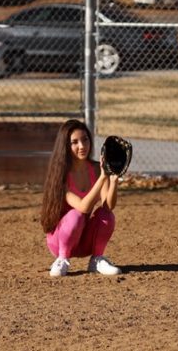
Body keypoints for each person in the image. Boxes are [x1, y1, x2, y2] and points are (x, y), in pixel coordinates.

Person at [40, 119, 122, 277]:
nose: (82, 146)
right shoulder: (61, 174)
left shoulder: (97, 169)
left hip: (84, 240)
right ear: (65, 146)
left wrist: (112, 181)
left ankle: (97, 259)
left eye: (85, 139)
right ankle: (62, 260)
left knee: (107, 216)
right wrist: (102, 178)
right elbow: (83, 207)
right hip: (60, 240)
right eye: (74, 142)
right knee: (76, 216)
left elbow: (108, 206)